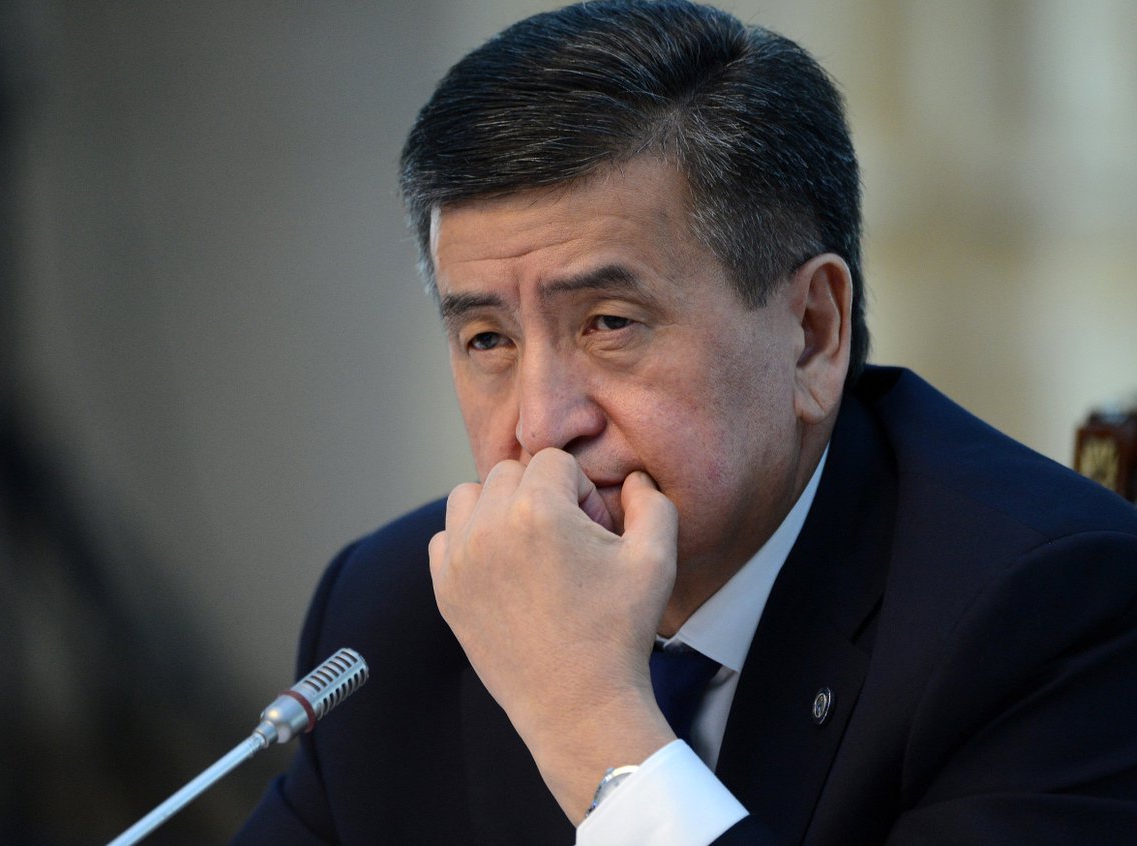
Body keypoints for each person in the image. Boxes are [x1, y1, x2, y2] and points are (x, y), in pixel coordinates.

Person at [235, 1, 1137, 843]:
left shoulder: (1047, 612)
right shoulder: (396, 611)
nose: (541, 426)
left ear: (811, 334)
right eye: (488, 339)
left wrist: (589, 720)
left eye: (609, 324)